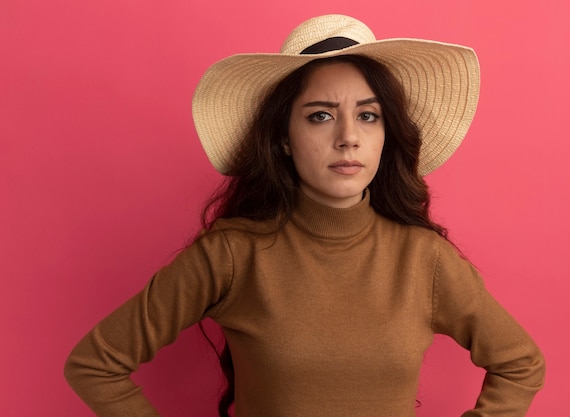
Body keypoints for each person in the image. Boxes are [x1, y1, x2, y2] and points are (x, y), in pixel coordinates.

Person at [64, 14, 545, 417]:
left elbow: (521, 363)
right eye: (320, 115)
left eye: (368, 115)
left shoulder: (425, 260)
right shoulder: (231, 256)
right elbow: (95, 364)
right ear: (284, 138)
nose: (348, 137)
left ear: (386, 135)